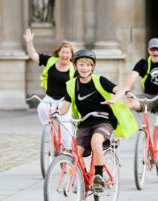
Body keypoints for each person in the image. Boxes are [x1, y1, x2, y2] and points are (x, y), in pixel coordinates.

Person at [56, 49, 137, 191]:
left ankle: (98, 178)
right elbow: (65, 107)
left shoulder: (100, 80)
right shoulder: (71, 85)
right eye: (81, 64)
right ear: (75, 66)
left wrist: (113, 99)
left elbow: (121, 90)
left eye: (88, 65)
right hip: (85, 123)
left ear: (92, 67)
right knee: (75, 153)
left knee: (96, 140)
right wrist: (55, 113)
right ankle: (85, 177)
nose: (85, 68)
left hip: (104, 120)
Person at [23, 28, 75, 150]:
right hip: (50, 97)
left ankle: (68, 151)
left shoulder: (74, 69)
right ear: (59, 53)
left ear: (71, 56)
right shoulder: (51, 61)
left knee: (66, 125)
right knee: (41, 108)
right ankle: (52, 130)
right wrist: (29, 42)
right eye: (63, 52)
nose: (65, 55)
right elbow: (33, 55)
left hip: (65, 100)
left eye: (68, 53)